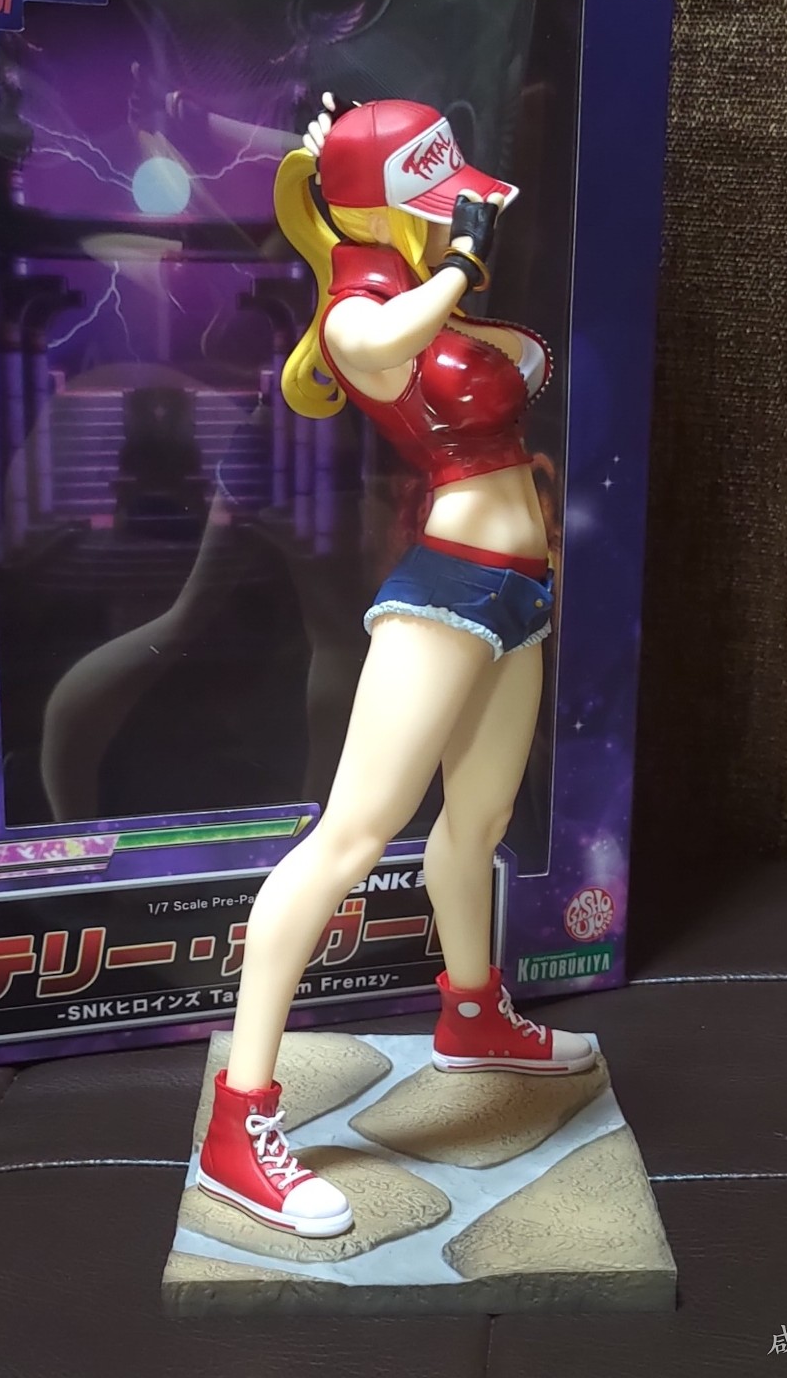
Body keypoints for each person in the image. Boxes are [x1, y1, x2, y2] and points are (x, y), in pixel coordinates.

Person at [197, 95, 594, 1238]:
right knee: (351, 836)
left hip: (519, 592)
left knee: (480, 822)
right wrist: (463, 257)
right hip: (447, 593)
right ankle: (239, 1125)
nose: (450, 215)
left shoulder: (418, 290)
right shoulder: (361, 308)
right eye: (431, 196)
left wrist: (453, 262)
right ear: (384, 206)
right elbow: (372, 348)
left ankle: (473, 1015)